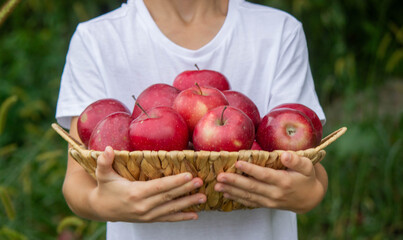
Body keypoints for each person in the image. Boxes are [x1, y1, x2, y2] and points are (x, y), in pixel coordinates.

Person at [55, 0, 328, 239]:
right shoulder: (95, 39)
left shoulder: (279, 31)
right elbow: (77, 180)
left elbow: (312, 171)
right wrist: (101, 203)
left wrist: (309, 194)